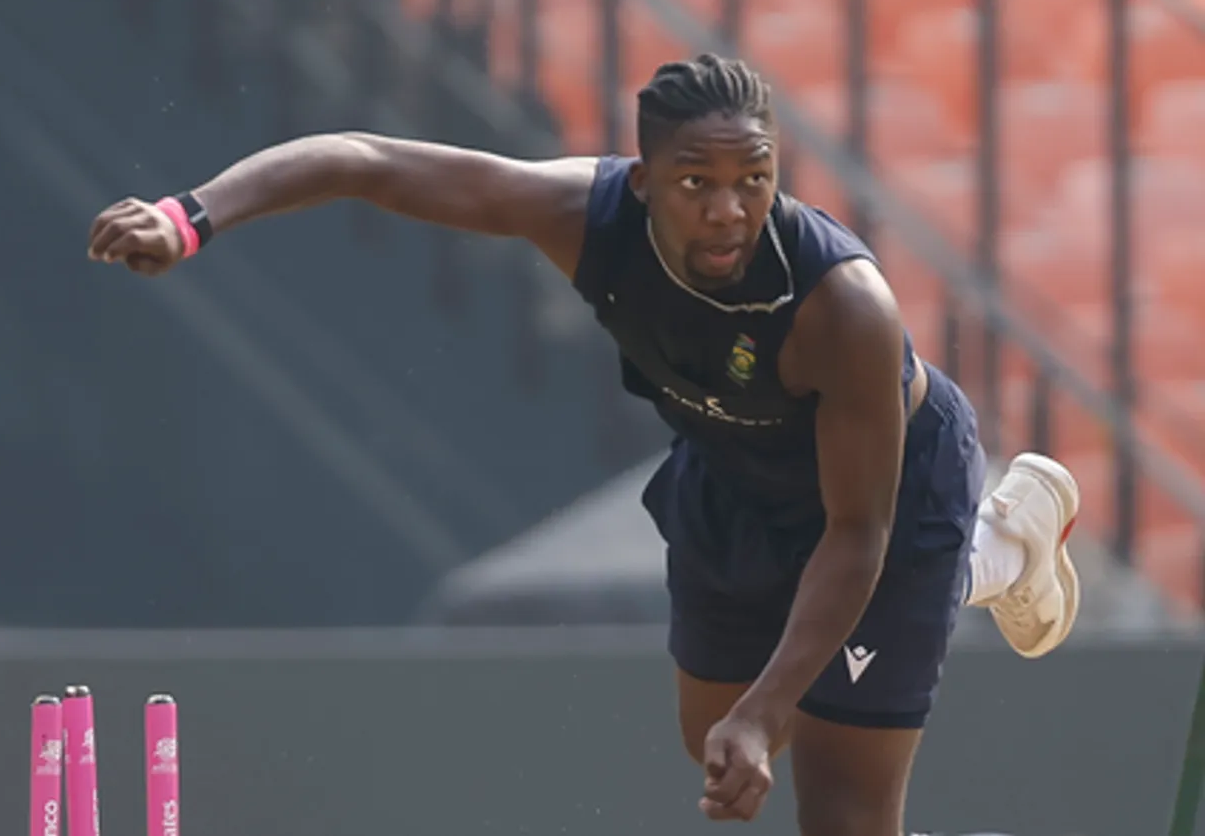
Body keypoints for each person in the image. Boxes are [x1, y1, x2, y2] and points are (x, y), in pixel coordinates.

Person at [86, 53, 1079, 834]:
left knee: (839, 810)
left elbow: (854, 537)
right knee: (709, 735)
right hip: (731, 474)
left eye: (754, 180)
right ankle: (992, 551)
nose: (730, 209)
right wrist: (190, 217)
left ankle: (979, 549)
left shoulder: (839, 306)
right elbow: (364, 160)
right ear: (642, 183)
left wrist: (770, 712)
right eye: (697, 182)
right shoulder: (578, 217)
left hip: (882, 499)